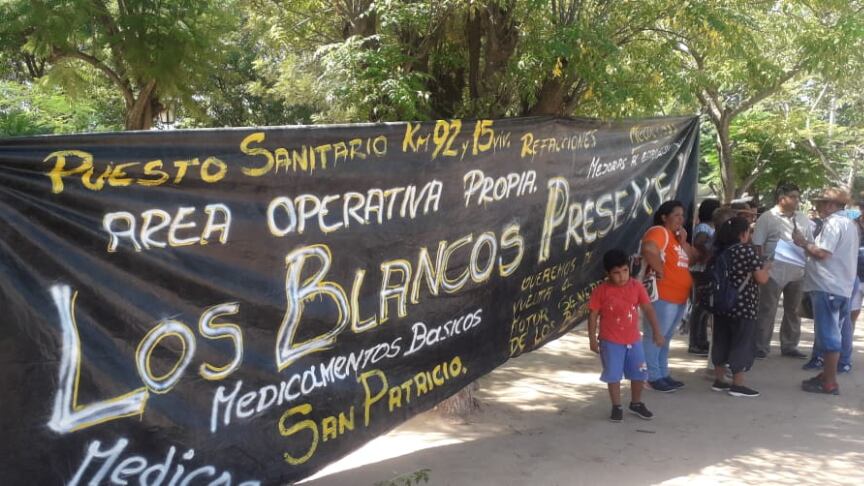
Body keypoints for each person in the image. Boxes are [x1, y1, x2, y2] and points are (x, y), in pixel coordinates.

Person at [793, 187, 859, 395]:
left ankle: (829, 381)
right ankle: (827, 375)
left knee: (829, 336)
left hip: (828, 286)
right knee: (832, 333)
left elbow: (822, 253)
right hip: (839, 286)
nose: (818, 207)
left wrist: (803, 243)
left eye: (821, 203)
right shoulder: (849, 224)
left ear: (831, 205)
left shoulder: (834, 224)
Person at [588, 249, 664, 422]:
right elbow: (592, 315)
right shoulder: (601, 291)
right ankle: (616, 406)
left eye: (625, 271)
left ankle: (636, 403)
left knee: (640, 373)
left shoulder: (636, 286)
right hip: (610, 341)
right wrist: (592, 338)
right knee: (613, 375)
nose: (622, 276)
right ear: (607, 274)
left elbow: (648, 309)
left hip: (633, 340)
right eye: (616, 273)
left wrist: (657, 332)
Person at [707, 217, 771, 397]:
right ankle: (738, 383)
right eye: (749, 231)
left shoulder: (719, 251)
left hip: (721, 304)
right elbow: (761, 279)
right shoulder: (747, 251)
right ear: (742, 234)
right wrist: (767, 267)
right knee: (741, 342)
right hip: (743, 305)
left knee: (721, 340)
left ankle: (719, 380)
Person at [640, 200, 696, 392]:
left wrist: (683, 242)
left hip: (678, 297)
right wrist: (661, 271)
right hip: (663, 295)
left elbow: (692, 258)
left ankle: (662, 373)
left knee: (665, 337)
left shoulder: (675, 237)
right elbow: (648, 249)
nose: (681, 219)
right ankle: (651, 376)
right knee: (655, 336)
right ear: (664, 217)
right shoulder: (659, 231)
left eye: (683, 216)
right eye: (677, 215)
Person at [751, 182, 811, 359]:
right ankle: (760, 346)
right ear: (781, 198)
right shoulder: (768, 217)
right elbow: (757, 245)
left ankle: (790, 345)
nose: (797, 200)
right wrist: (760, 267)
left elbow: (810, 241)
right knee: (766, 308)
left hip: (797, 270)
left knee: (794, 310)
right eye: (793, 197)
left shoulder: (803, 218)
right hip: (773, 270)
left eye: (797, 197)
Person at [688, 198, 721, 355]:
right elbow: (699, 243)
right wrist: (710, 250)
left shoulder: (710, 227)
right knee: (700, 307)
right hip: (700, 270)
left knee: (704, 308)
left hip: (704, 270)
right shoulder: (704, 228)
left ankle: (701, 340)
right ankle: (696, 342)